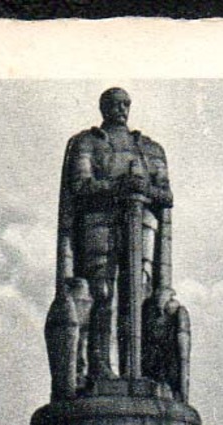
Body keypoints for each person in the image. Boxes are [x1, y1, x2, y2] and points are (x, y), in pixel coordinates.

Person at [56, 88, 173, 383]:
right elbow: (80, 186)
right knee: (102, 293)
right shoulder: (87, 142)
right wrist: (119, 187)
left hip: (142, 225)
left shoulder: (149, 149)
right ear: (103, 107)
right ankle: (99, 366)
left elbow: (166, 195)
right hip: (99, 224)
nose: (121, 109)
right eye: (115, 104)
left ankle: (140, 371)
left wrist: (143, 189)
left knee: (140, 295)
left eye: (125, 104)